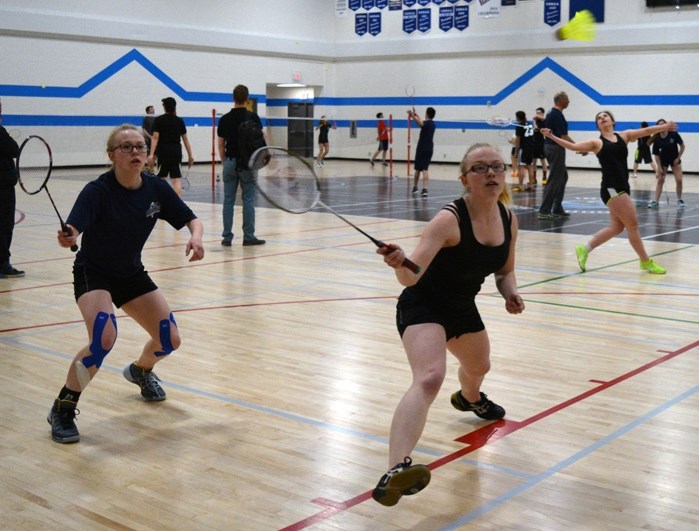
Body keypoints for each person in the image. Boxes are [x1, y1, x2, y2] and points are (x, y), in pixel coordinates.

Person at [372, 143, 525, 506]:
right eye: (479, 168)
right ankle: (395, 470)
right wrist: (399, 262)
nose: (490, 173)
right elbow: (410, 278)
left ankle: (470, 399)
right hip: (423, 303)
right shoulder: (448, 220)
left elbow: (504, 270)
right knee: (429, 377)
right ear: (464, 180)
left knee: (479, 367)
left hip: (461, 306)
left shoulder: (508, 218)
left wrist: (510, 293)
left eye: (496, 166)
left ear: (505, 175)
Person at [46, 124, 205, 444]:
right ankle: (63, 407)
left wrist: (196, 236)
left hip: (131, 274)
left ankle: (141, 370)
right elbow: (73, 230)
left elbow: (191, 218)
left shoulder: (156, 189)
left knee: (169, 339)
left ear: (148, 155)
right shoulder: (97, 191)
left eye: (140, 147)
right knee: (104, 337)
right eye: (127, 147)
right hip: (94, 274)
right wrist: (69, 237)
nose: (135, 152)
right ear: (111, 155)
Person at [541, 111, 675, 275]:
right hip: (611, 188)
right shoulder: (596, 143)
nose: (602, 118)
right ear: (598, 125)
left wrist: (664, 126)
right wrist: (552, 136)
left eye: (605, 116)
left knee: (616, 227)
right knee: (632, 226)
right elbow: (573, 147)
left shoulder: (624, 136)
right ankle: (646, 261)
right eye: (599, 118)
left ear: (612, 120)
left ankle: (584, 249)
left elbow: (646, 132)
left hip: (623, 186)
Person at [217, 84, 267, 247]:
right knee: (248, 199)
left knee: (228, 200)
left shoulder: (224, 119)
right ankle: (248, 236)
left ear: (233, 97)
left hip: (230, 162)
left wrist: (225, 162)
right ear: (247, 99)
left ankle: (227, 237)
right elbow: (262, 138)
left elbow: (220, 144)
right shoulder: (253, 117)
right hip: (249, 164)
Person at [148, 97, 194, 198]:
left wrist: (151, 154)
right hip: (176, 151)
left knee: (161, 178)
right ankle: (179, 205)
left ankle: (159, 202)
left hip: (163, 151)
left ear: (164, 107)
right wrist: (190, 155)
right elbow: (185, 140)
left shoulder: (158, 120)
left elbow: (155, 137)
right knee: (176, 179)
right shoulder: (179, 121)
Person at [538, 91, 573, 220]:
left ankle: (557, 207)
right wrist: (577, 147)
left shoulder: (552, 113)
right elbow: (563, 136)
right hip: (555, 148)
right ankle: (544, 210)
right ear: (561, 100)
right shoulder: (556, 115)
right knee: (555, 179)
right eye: (567, 99)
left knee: (563, 176)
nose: (569, 102)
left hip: (552, 147)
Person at [0, 98, 23, 278]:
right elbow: (14, 149)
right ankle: (2, 264)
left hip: (5, 186)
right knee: (4, 226)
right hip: (3, 188)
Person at [648, 118, 685, 208]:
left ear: (666, 125)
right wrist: (659, 167)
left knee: (679, 180)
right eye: (659, 125)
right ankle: (656, 201)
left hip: (674, 160)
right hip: (663, 161)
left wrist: (678, 158)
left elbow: (682, 146)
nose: (661, 126)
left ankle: (679, 199)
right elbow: (656, 155)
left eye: (663, 124)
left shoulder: (674, 135)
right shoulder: (657, 139)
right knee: (660, 180)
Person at [409, 106, 436, 198]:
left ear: (427, 114)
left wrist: (412, 115)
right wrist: (416, 114)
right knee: (425, 169)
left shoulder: (426, 124)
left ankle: (415, 187)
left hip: (421, 148)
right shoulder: (432, 124)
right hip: (429, 149)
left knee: (418, 169)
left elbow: (420, 123)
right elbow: (422, 122)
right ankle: (425, 189)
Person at [512, 111, 535, 193]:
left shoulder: (519, 126)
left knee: (521, 167)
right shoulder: (530, 124)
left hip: (523, 148)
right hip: (531, 147)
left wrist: (516, 151)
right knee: (529, 167)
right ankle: (531, 186)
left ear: (518, 117)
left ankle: (520, 186)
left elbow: (518, 139)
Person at [532, 107, 548, 185]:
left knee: (542, 160)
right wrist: (534, 121)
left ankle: (544, 177)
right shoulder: (536, 121)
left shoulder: (544, 121)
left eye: (539, 112)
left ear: (542, 113)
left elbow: (536, 128)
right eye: (536, 112)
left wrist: (535, 120)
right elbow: (534, 129)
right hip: (534, 142)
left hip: (541, 142)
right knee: (534, 161)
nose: (537, 114)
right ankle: (534, 178)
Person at [141, 105, 156, 172]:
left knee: (154, 154)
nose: (153, 110)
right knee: (146, 153)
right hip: (148, 140)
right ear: (148, 111)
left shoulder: (156, 119)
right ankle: (143, 168)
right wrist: (150, 137)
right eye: (151, 109)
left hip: (155, 140)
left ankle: (151, 168)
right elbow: (143, 130)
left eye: (153, 109)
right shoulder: (146, 118)